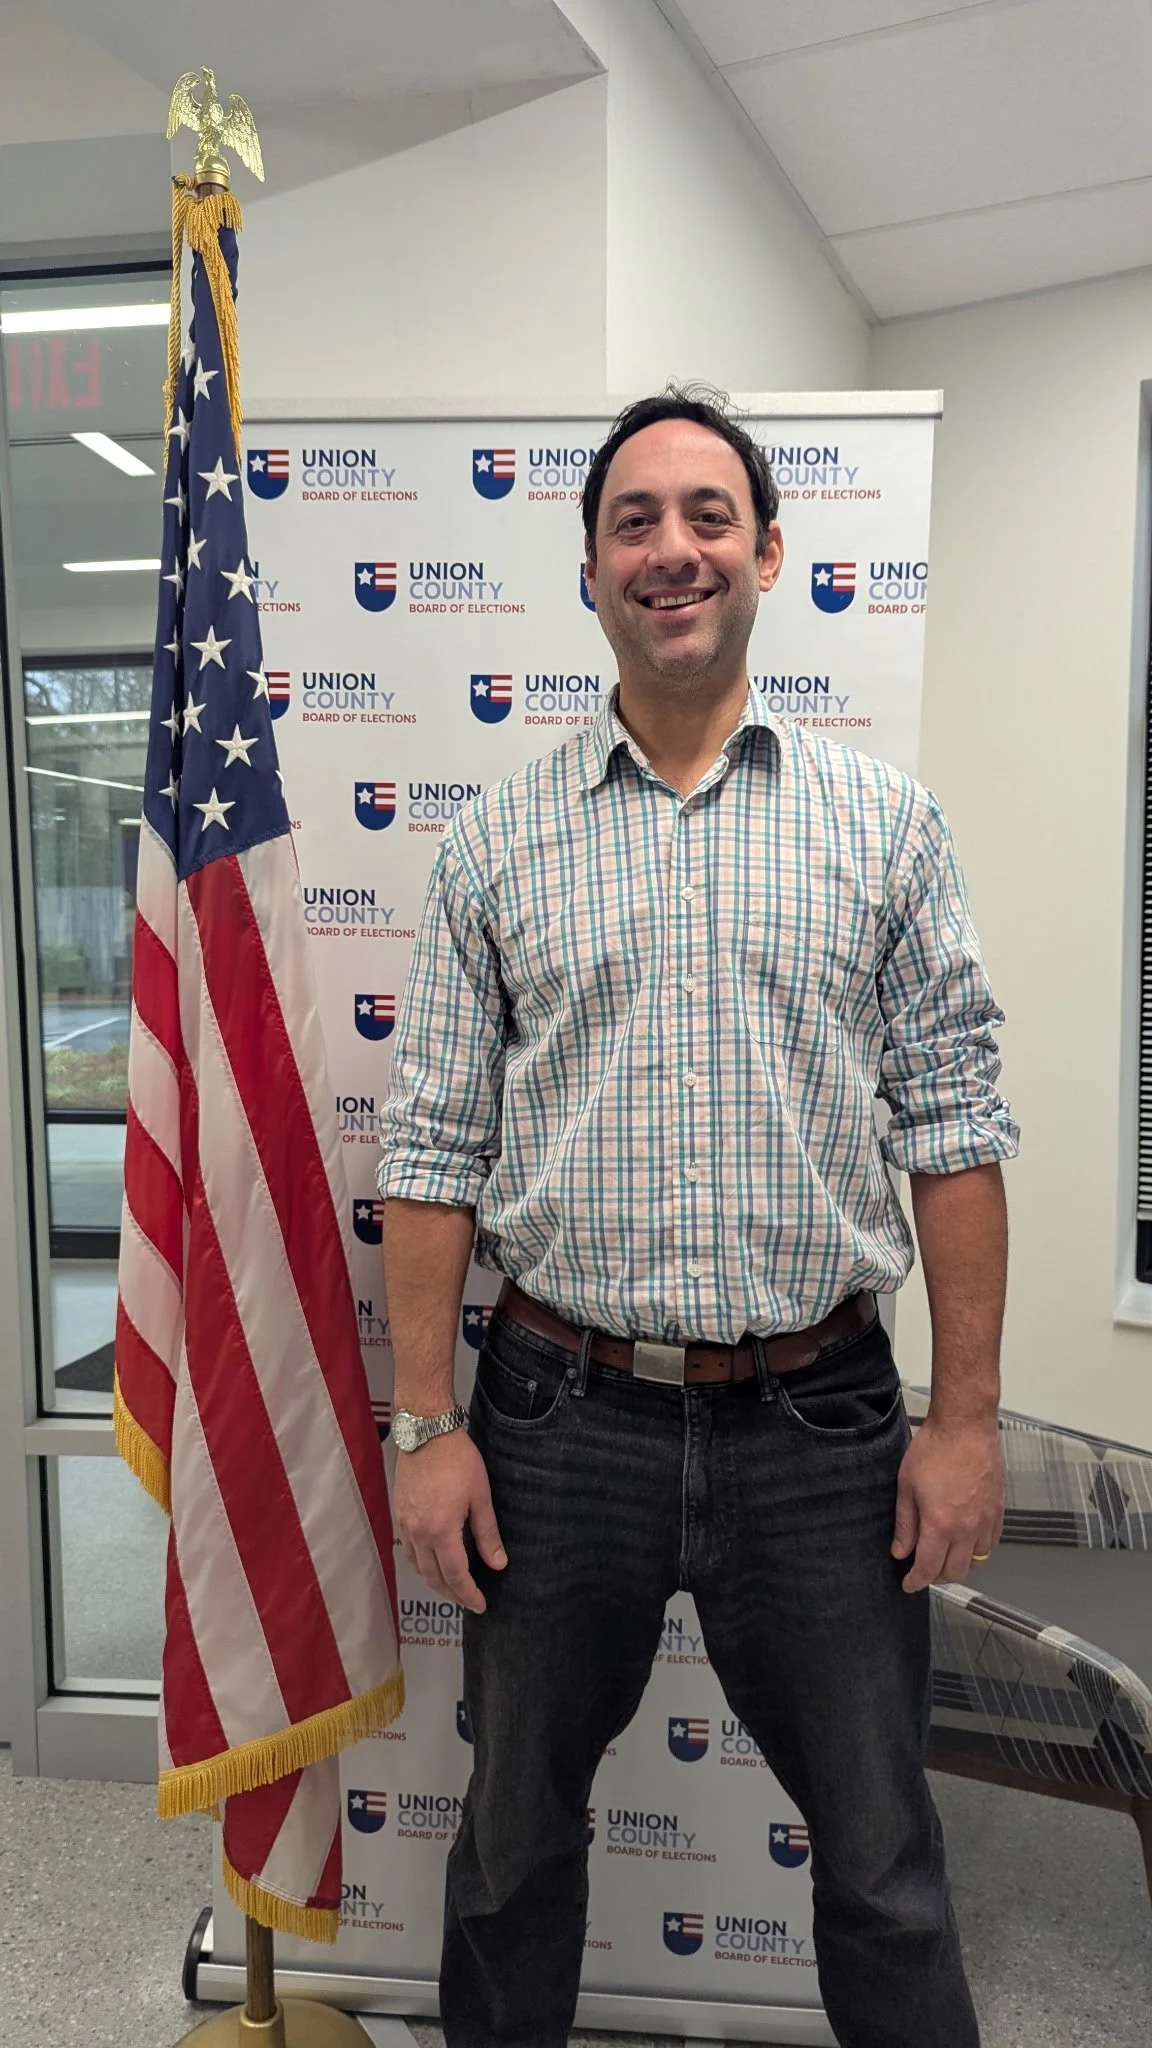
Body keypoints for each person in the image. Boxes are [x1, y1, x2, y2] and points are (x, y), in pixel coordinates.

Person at [377, 385, 1019, 2048]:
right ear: (589, 567)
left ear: (772, 553)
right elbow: (434, 1143)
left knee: (883, 1862)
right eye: (636, 522)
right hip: (549, 1419)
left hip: (821, 1429)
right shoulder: (497, 841)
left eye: (709, 516)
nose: (675, 550)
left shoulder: (885, 826)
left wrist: (961, 1421)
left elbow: (956, 1132)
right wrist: (425, 1420)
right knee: (511, 1852)